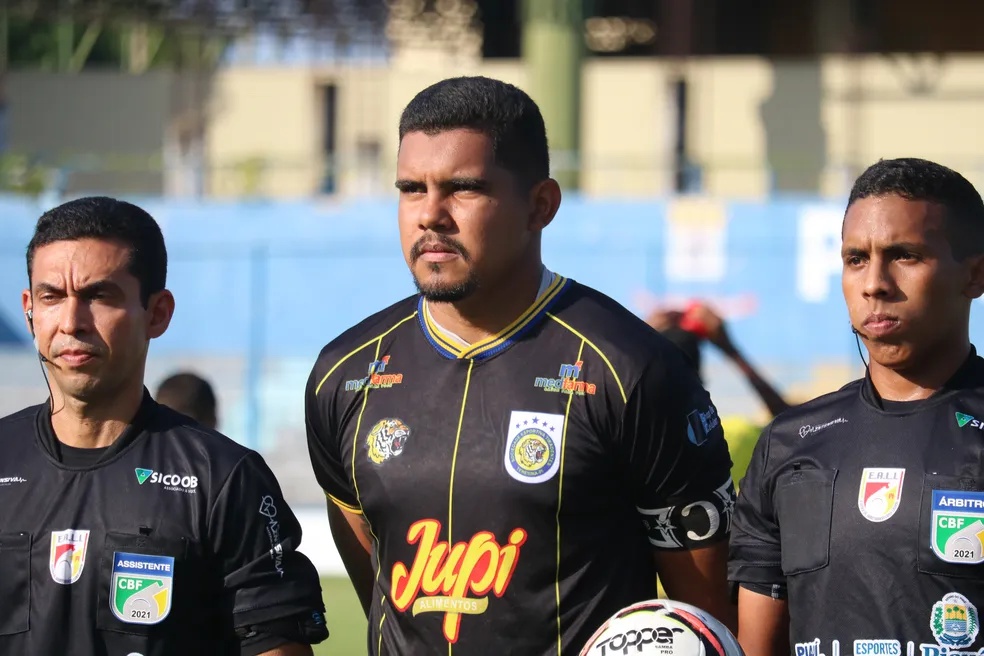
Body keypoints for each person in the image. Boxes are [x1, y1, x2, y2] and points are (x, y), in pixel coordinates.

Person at [305, 75, 737, 655]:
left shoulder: (632, 371)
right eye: (411, 189)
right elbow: (376, 584)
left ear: (541, 205)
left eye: (463, 188)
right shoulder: (344, 374)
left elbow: (713, 620)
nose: (430, 214)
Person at [1, 196, 328, 655]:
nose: (71, 323)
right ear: (29, 309)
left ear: (157, 313)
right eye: (51, 297)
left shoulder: (223, 479)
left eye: (99, 296)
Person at [729, 158, 984, 656]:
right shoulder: (789, 443)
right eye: (855, 259)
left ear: (975, 275)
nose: (875, 284)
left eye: (904, 255)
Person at [647, 302, 791, 418]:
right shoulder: (714, 432)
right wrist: (731, 350)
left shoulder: (634, 426)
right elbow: (784, 414)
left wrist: (644, 334)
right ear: (698, 378)